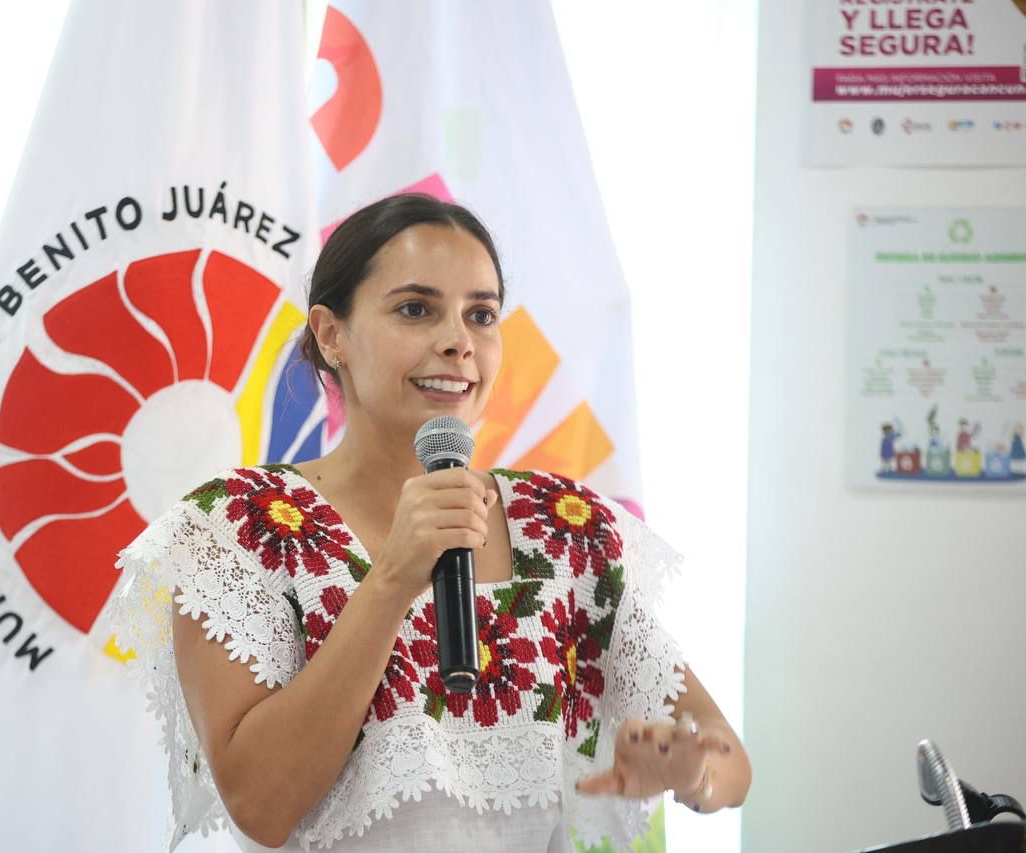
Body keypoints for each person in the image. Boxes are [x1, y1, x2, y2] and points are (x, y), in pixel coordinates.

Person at [107, 194, 751, 852]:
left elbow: (729, 759)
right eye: (416, 309)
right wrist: (391, 578)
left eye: (482, 315)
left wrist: (693, 769)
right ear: (331, 335)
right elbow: (261, 804)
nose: (458, 342)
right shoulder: (237, 527)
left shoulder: (566, 528)